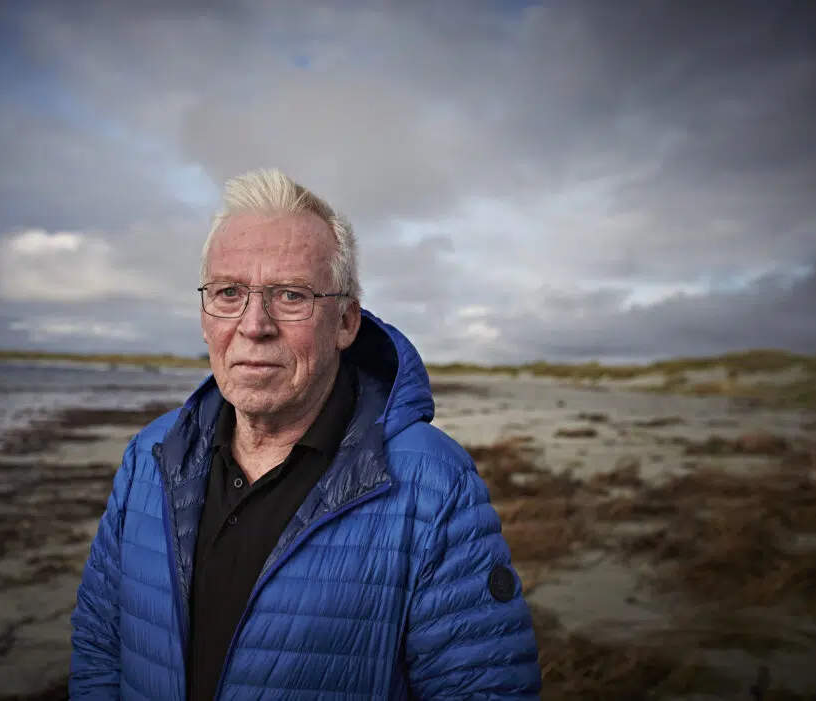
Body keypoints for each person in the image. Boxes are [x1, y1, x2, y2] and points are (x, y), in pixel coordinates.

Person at [69, 168, 542, 700]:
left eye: (291, 296)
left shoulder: (435, 485)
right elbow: (99, 648)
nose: (254, 325)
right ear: (205, 317)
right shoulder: (149, 456)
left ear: (345, 321)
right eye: (228, 292)